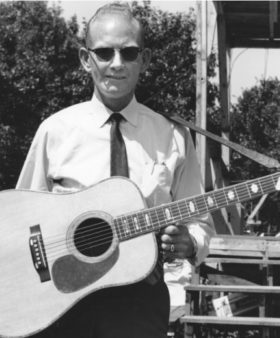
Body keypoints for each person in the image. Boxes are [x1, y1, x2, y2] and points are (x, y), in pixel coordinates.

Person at [16, 2, 215, 338]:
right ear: (85, 59)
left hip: (139, 305)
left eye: (130, 52)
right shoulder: (55, 131)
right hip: (61, 303)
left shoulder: (174, 137)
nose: (117, 64)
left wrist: (190, 242)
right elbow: (17, 218)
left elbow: (199, 223)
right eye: (104, 52)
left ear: (145, 60)